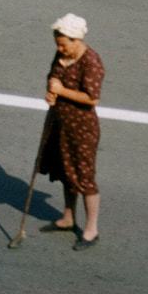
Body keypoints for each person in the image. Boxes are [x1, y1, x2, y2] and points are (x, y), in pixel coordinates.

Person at [38, 13, 106, 250]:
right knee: (66, 172)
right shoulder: (61, 55)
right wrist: (51, 91)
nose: (59, 48)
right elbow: (53, 77)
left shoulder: (91, 62)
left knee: (84, 177)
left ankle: (91, 229)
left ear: (76, 40)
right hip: (60, 124)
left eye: (63, 44)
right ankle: (68, 218)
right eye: (57, 44)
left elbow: (92, 98)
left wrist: (62, 91)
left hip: (82, 129)